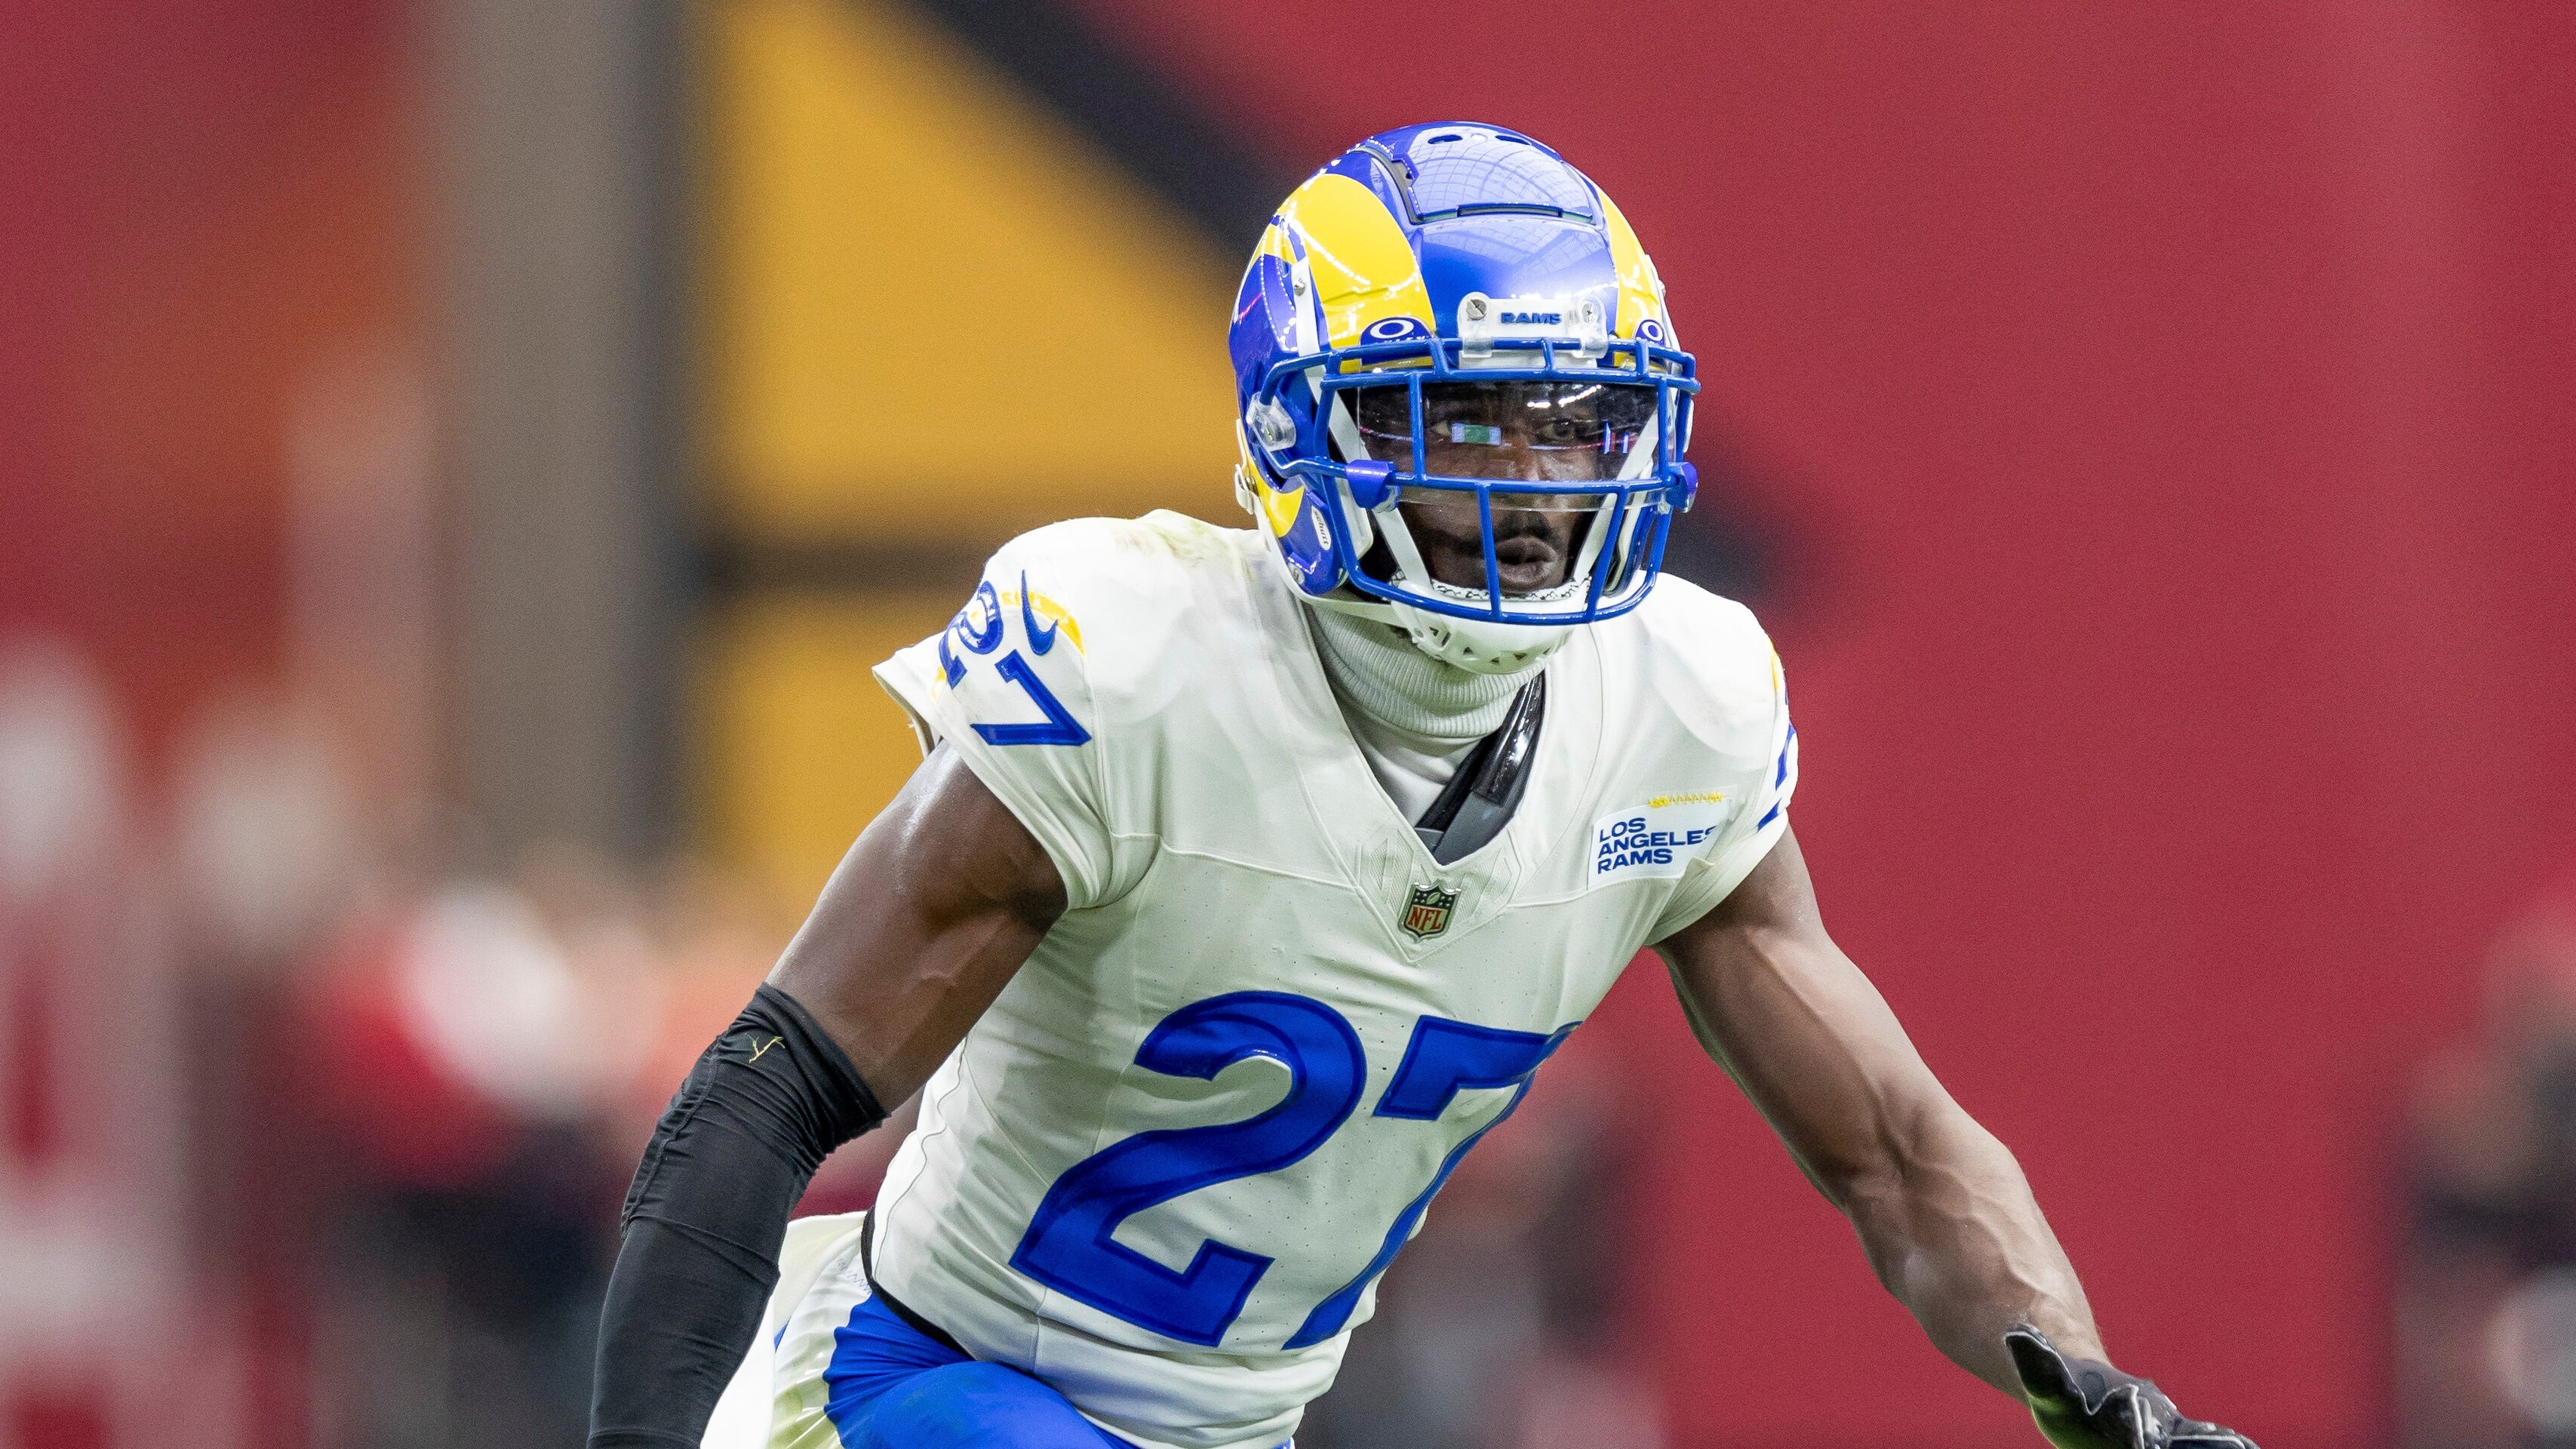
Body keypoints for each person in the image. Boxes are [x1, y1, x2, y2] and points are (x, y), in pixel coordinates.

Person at [587, 122, 2255, 1449]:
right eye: (1464, 419)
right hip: (908, 1386)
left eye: (1573, 423)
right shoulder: (1134, 669)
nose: (1532, 483)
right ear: (1305, 431)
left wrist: (2087, 1376)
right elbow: (765, 1094)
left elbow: (1895, 1152)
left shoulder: (1676, 708)